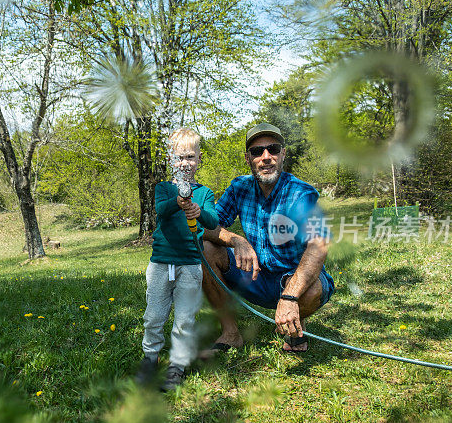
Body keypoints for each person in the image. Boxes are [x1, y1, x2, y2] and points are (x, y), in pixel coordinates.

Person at [201, 123, 335, 353]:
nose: (266, 157)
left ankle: (293, 319)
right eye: (257, 151)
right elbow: (208, 226)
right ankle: (231, 334)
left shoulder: (301, 193)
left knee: (313, 289)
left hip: (293, 279)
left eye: (273, 149)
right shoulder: (239, 187)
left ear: (283, 154)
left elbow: (319, 245)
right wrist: (236, 240)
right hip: (255, 275)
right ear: (247, 158)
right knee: (205, 249)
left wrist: (291, 297)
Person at [135, 128, 218, 391]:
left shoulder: (204, 193)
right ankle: (150, 357)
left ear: (199, 159)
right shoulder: (163, 188)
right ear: (171, 159)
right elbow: (161, 210)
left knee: (185, 318)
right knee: (154, 315)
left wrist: (198, 210)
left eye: (190, 157)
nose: (185, 163)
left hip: (191, 265)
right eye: (179, 157)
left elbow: (213, 220)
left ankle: (177, 366)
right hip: (161, 263)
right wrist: (179, 201)